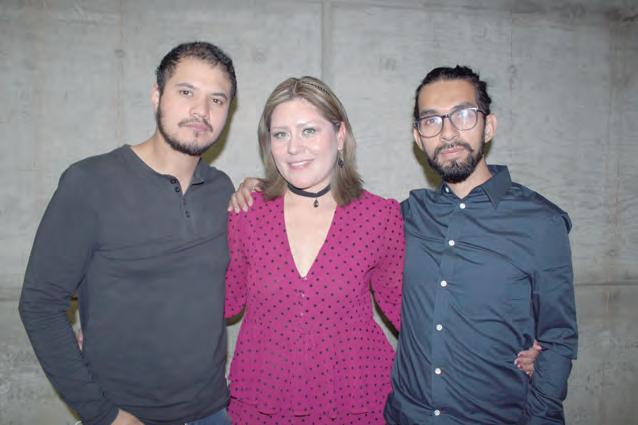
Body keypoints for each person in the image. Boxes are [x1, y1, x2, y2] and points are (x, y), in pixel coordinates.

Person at [19, 41, 237, 425]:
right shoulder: (89, 183)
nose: (201, 111)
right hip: (125, 415)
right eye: (187, 92)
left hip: (212, 410)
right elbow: (40, 305)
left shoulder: (222, 190)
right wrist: (102, 414)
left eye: (216, 100)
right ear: (157, 95)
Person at [384, 65, 578, 424]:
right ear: (418, 137)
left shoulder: (541, 222)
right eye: (431, 121)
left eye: (463, 115)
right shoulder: (404, 217)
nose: (448, 133)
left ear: (488, 126)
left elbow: (558, 339)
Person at [223, 76, 405, 424]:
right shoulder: (247, 213)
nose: (294, 147)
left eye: (308, 130)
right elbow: (224, 302)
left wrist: (496, 349)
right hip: (263, 400)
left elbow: (408, 314)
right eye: (280, 134)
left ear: (340, 135)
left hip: (355, 399)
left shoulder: (379, 216)